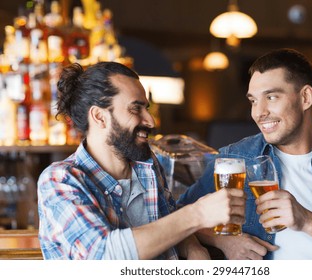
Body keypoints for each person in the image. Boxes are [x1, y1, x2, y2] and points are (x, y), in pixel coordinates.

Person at [178, 48, 312, 260]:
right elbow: (177, 216)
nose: (258, 112)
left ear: (305, 97)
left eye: (271, 97)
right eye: (253, 100)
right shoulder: (235, 158)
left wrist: (306, 220)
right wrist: (221, 241)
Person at [37, 61, 246, 260]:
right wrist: (196, 214)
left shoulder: (146, 165)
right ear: (99, 117)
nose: (151, 121)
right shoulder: (60, 180)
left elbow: (167, 226)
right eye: (136, 108)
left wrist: (194, 249)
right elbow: (102, 256)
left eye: (147, 108)